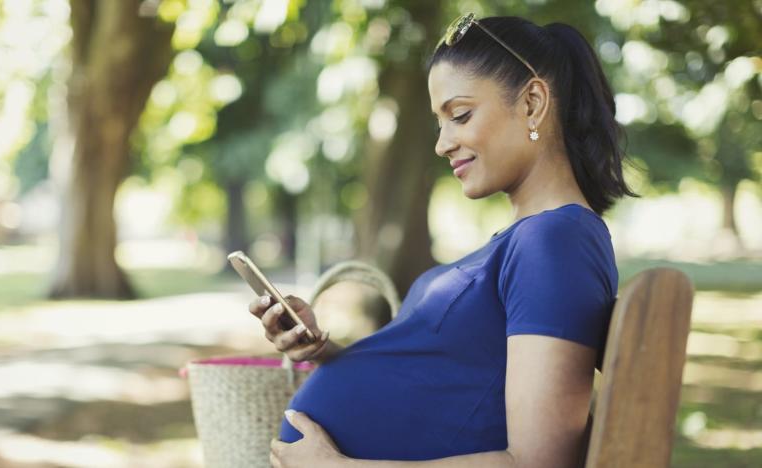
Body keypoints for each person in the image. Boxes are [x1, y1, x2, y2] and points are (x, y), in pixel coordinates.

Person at [249, 13, 637, 468]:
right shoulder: (533, 240)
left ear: (532, 103)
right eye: (439, 122)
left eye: (460, 115)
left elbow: (539, 462)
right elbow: (453, 378)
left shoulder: (556, 242)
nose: (442, 144)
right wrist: (324, 350)